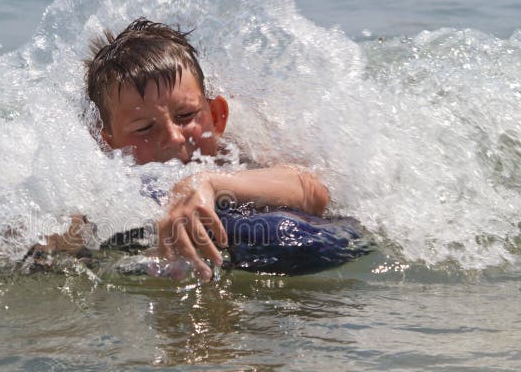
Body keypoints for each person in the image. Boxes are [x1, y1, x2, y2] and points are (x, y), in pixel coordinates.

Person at [44, 18, 329, 281]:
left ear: (216, 116)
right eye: (144, 128)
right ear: (108, 143)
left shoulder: (237, 154)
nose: (174, 138)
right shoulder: (104, 188)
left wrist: (209, 183)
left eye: (186, 116)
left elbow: (312, 190)